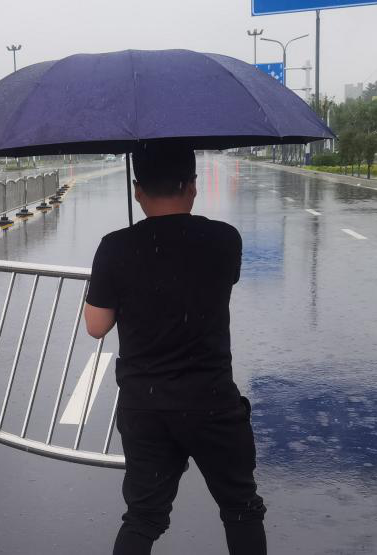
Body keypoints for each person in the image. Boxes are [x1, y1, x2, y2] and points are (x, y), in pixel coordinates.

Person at [84, 143, 266, 554]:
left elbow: (97, 326)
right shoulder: (224, 239)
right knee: (241, 508)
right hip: (212, 401)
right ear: (192, 186)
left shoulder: (115, 246)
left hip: (145, 405)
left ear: (137, 190)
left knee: (143, 517)